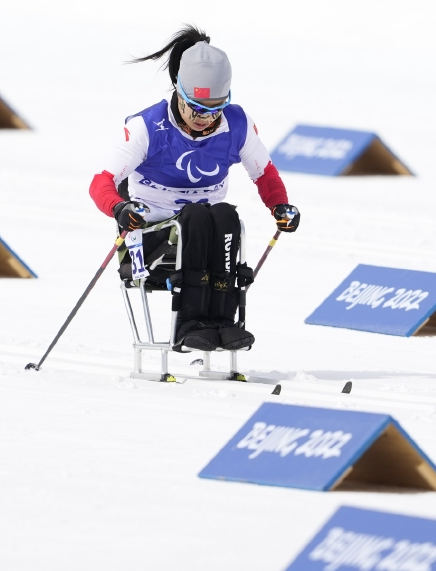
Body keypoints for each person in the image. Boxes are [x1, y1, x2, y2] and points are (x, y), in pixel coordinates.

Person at [89, 25, 300, 352]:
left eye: (215, 109)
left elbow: (265, 173)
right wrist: (120, 208)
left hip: (208, 234)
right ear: (179, 91)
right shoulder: (148, 127)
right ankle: (188, 325)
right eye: (197, 108)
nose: (205, 118)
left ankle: (222, 322)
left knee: (226, 215)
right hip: (152, 237)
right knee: (197, 217)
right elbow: (101, 182)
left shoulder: (237, 124)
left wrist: (280, 206)